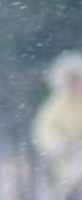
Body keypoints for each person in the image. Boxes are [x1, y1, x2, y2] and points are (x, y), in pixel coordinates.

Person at [34, 51, 82, 200]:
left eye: (77, 80)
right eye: (70, 81)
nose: (74, 85)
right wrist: (59, 145)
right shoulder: (55, 106)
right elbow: (45, 129)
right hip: (65, 163)